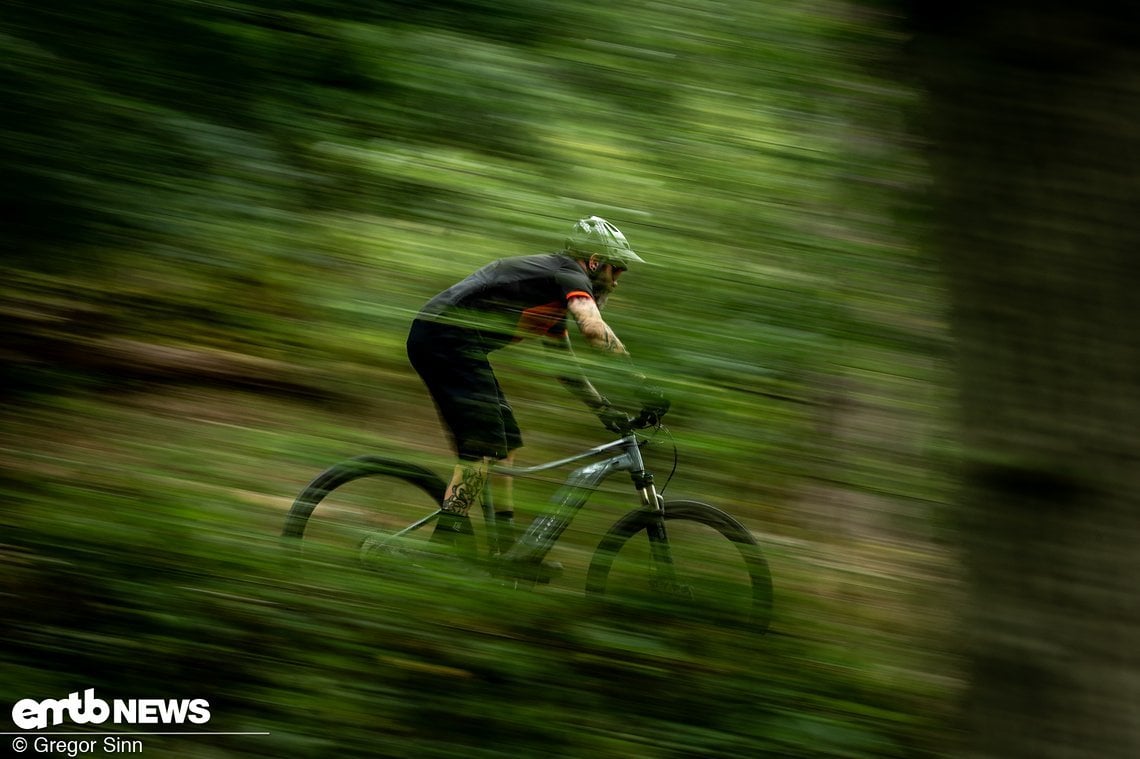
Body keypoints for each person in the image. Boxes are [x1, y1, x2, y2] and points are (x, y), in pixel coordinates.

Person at [406, 215, 644, 556]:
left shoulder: (551, 293)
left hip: (453, 344)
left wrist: (604, 410)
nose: (618, 281)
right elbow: (593, 329)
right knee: (482, 446)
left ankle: (503, 549)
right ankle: (444, 544)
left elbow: (565, 368)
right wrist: (642, 383)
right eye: (616, 269)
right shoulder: (569, 273)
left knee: (506, 443)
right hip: (442, 339)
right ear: (594, 261)